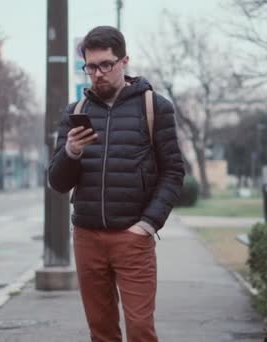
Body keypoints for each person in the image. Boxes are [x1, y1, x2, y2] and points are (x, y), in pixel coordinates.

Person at [48, 26, 184, 341]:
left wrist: (148, 224)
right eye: (91, 66)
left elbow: (173, 171)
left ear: (124, 61)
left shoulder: (154, 107)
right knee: (102, 332)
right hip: (87, 238)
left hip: (132, 238)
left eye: (106, 64)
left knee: (140, 330)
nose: (98, 73)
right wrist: (71, 151)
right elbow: (57, 181)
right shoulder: (74, 113)